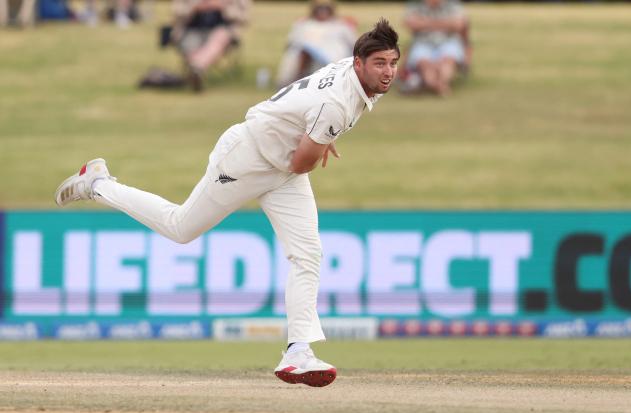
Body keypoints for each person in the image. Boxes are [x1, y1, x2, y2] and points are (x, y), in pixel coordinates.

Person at [54, 18, 400, 388]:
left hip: (281, 167)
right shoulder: (337, 104)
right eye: (379, 63)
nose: (388, 72)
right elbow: (303, 161)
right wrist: (319, 139)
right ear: (358, 62)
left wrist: (318, 136)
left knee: (308, 253)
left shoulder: (351, 78)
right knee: (180, 227)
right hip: (246, 158)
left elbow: (307, 120)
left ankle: (298, 351)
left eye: (393, 62)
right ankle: (98, 183)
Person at [171, 0, 251, 91]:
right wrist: (195, 8)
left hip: (222, 30)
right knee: (190, 43)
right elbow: (176, 12)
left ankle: (196, 68)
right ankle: (197, 71)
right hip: (192, 30)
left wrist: (222, 6)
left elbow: (244, 16)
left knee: (219, 37)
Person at [275, 0, 357, 88]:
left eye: (326, 9)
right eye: (319, 9)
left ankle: (297, 82)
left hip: (331, 55)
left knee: (306, 53)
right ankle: (295, 81)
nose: (322, 12)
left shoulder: (340, 25)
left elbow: (353, 43)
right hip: (304, 53)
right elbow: (291, 42)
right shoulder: (303, 24)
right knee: (301, 53)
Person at [403, 0, 470, 96]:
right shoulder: (416, 4)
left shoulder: (453, 4)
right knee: (424, 64)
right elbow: (412, 24)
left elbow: (459, 24)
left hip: (448, 42)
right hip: (423, 43)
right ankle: (440, 86)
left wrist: (425, 23)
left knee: (448, 61)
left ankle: (438, 83)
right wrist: (446, 24)